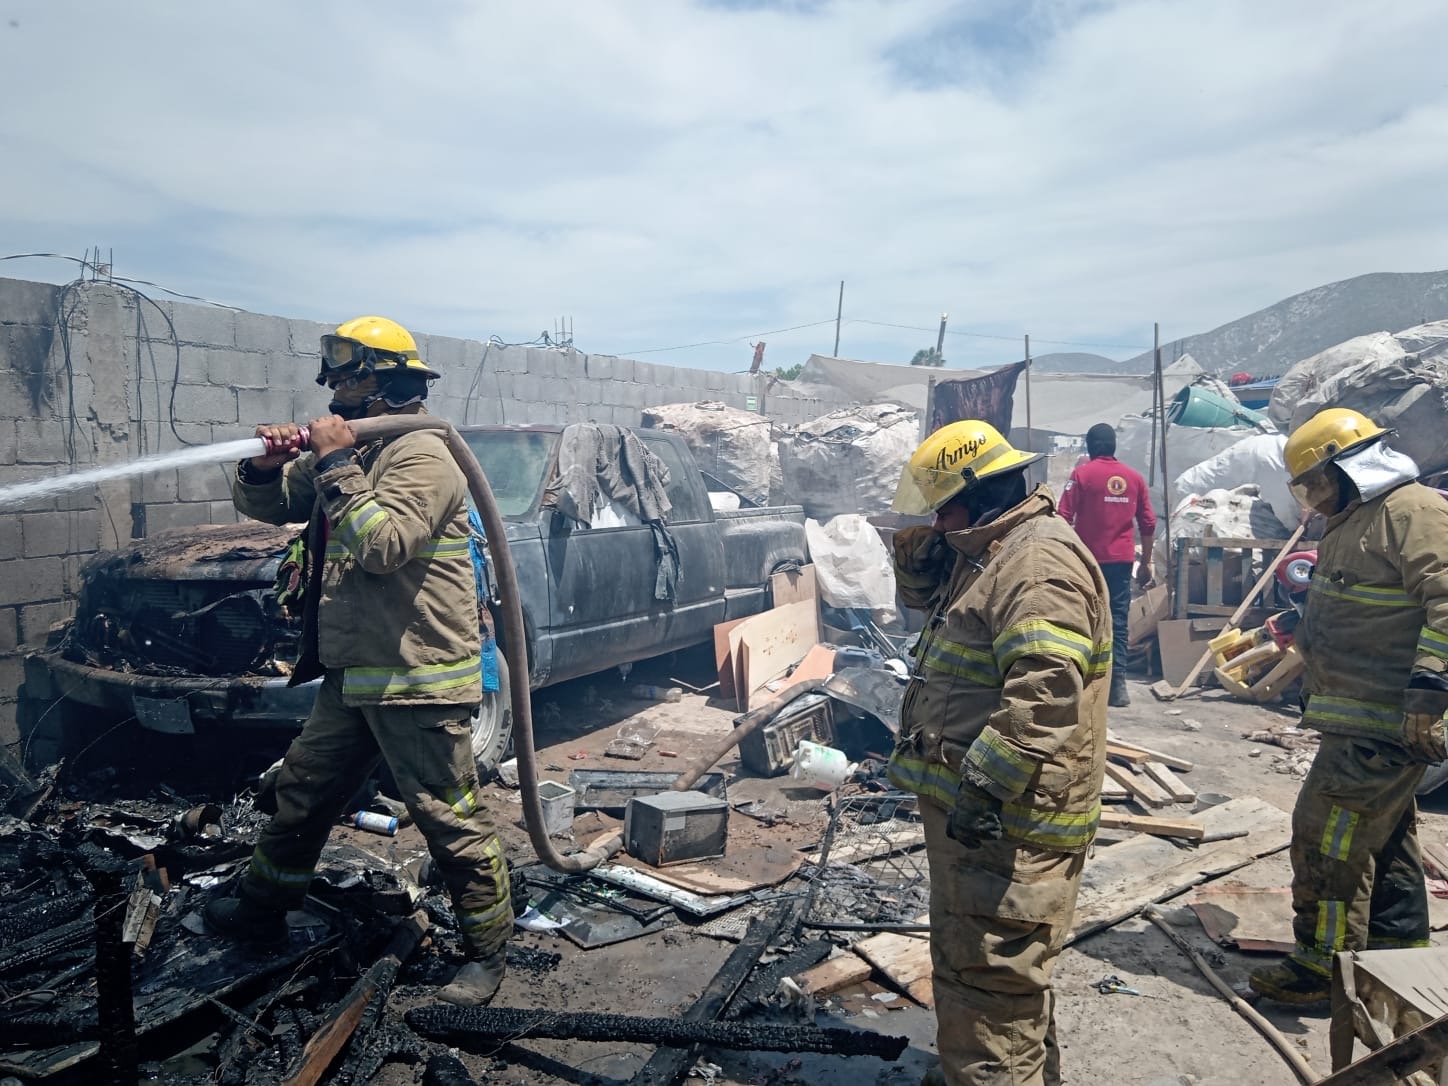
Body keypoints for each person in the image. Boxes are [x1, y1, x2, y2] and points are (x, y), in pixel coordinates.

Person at [204, 315, 514, 1007]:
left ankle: (488, 953)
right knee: (303, 794)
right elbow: (278, 507)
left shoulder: (424, 456)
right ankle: (261, 908)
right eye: (335, 380)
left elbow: (384, 544)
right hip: (355, 675)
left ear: (383, 382)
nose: (336, 392)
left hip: (418, 677)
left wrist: (337, 462)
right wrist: (266, 464)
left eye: (347, 379)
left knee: (447, 816)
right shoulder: (363, 455)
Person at [889, 420, 1111, 1086]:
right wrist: (917, 553)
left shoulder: (1035, 560)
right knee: (985, 974)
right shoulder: (988, 550)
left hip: (1010, 821)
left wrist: (984, 785)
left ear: (979, 493)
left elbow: (1046, 686)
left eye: (943, 506)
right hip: (985, 821)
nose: (937, 518)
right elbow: (930, 611)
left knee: (991, 982)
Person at [1248, 408, 1448, 1004]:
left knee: (1325, 837)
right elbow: (1357, 601)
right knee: (1383, 841)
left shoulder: (1413, 512)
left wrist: (1430, 686)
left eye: (1316, 482)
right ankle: (1397, 964)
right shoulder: (1357, 519)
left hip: (1390, 716)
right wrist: (1302, 629)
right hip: (1360, 716)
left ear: (1350, 465)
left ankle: (1322, 969)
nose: (1312, 497)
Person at [1057, 423, 1156, 707]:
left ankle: (1084, 684)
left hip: (1086, 562)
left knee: (1082, 618)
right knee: (1118, 622)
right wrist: (1146, 561)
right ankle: (1117, 688)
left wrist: (1067, 552)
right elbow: (1148, 522)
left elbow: (1063, 516)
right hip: (1122, 562)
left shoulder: (1081, 475)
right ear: (1114, 446)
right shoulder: (1134, 479)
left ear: (1090, 447)